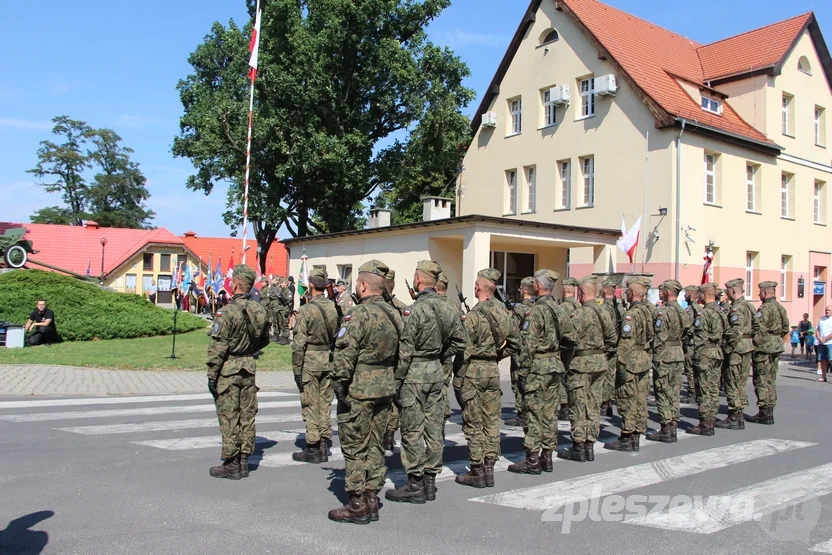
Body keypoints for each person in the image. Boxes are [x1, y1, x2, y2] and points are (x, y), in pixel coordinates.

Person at [385, 261, 466, 504]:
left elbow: (405, 350)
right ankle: (430, 482)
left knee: (412, 429)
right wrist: (441, 354)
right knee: (433, 428)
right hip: (436, 373)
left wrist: (395, 381)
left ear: (419, 280)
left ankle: (415, 484)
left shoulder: (414, 310)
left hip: (415, 374)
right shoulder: (450, 308)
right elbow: (461, 342)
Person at [328, 260, 401, 524]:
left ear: (362, 285)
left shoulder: (357, 314)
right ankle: (372, 497)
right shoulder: (395, 314)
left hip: (358, 389)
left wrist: (339, 385)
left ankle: (357, 503)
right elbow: (403, 356)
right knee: (376, 444)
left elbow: (345, 356)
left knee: (355, 446)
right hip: (385, 387)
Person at [455, 268, 520, 488]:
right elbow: (515, 343)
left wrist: (458, 379)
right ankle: (490, 466)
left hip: (474, 371)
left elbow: (465, 350)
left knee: (474, 422)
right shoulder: (504, 313)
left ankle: (476, 470)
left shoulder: (474, 315)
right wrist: (495, 355)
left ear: (479, 287)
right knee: (491, 421)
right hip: (492, 370)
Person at [206, 265, 269, 480]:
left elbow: (218, 348)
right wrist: (249, 349)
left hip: (229, 369)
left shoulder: (227, 311)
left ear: (235, 284)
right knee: (247, 415)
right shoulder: (259, 310)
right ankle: (244, 461)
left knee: (230, 416)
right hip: (248, 368)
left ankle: (231, 462)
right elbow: (265, 339)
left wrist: (211, 376)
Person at [509, 270, 575, 472]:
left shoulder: (535, 311)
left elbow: (528, 344)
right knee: (549, 413)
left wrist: (522, 371)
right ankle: (547, 456)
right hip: (554, 365)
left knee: (533, 413)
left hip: (537, 367)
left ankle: (532, 459)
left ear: (537, 286)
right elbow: (572, 339)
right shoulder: (560, 309)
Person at [291, 267, 338, 464]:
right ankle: (324, 442)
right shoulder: (333, 307)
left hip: (310, 360)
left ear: (311, 285)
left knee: (311, 403)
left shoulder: (305, 310)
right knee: (325, 402)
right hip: (327, 358)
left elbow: (299, 343)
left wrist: (296, 369)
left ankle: (312, 446)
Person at [605, 276, 654, 452]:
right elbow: (650, 336)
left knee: (627, 398)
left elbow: (626, 341)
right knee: (640, 398)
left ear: (633, 293)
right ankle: (636, 435)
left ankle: (627, 435)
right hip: (643, 358)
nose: (625, 294)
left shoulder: (631, 314)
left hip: (631, 359)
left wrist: (621, 364)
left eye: (627, 291)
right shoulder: (648, 311)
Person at [645, 280, 691, 443]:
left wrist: (654, 353)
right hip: (677, 353)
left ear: (669, 292)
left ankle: (666, 428)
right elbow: (688, 332)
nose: (659, 292)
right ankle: (672, 425)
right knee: (674, 391)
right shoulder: (682, 310)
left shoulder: (663, 312)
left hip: (665, 354)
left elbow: (659, 336)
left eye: (662, 290)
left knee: (663, 391)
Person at [714, 278, 758, 430]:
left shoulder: (736, 309)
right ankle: (738, 414)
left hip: (736, 350)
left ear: (733, 291)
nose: (727, 294)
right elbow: (757, 327)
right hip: (746, 347)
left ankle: (734, 416)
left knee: (732, 382)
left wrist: (727, 348)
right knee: (740, 382)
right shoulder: (750, 306)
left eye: (728, 291)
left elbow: (735, 332)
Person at [686, 283, 726, 436]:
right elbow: (728, 331)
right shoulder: (720, 311)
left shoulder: (705, 313)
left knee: (703, 390)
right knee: (713, 389)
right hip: (717, 352)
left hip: (705, 354)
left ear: (703, 295)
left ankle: (705, 423)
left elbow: (699, 335)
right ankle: (711, 419)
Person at [746, 281, 789, 425]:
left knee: (761, 380)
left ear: (765, 293)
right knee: (771, 379)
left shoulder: (764, 309)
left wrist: (756, 344)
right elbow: (785, 328)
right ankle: (769, 410)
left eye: (760, 293)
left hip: (764, 348)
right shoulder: (780, 308)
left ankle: (764, 412)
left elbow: (758, 329)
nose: (759, 295)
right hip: (776, 346)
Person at [382, 269, 408, 453]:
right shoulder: (402, 307)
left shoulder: (374, 306)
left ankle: (386, 435)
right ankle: (390, 436)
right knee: (394, 399)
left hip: (379, 361)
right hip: (397, 358)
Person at [435, 272, 466, 423]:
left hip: (430, 354)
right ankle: (445, 412)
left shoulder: (430, 303)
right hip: (448, 352)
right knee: (444, 384)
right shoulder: (454, 305)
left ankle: (438, 413)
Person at [505, 276, 535, 428]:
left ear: (524, 290)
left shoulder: (520, 309)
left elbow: (513, 331)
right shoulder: (537, 307)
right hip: (533, 352)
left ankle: (521, 412)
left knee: (518, 381)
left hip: (520, 351)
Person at [599, 278, 623, 416]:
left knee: (602, 376)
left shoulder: (602, 308)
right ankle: (608, 403)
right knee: (610, 376)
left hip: (604, 346)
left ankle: (603, 403)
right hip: (614, 346)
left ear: (606, 290)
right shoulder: (618, 307)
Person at [682, 285, 702, 403]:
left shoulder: (694, 309)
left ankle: (692, 391)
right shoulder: (692, 308)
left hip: (691, 343)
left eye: (686, 294)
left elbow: (691, 326)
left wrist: (685, 333)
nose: (684, 296)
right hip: (690, 342)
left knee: (690, 368)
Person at [816, 306, 832, 382]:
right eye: (826, 310)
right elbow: (817, 330)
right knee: (822, 360)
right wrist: (819, 338)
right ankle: (823, 376)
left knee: (831, 360)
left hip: (830, 343)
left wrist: (825, 339)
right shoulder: (821, 319)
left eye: (829, 310)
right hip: (821, 343)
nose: (827, 311)